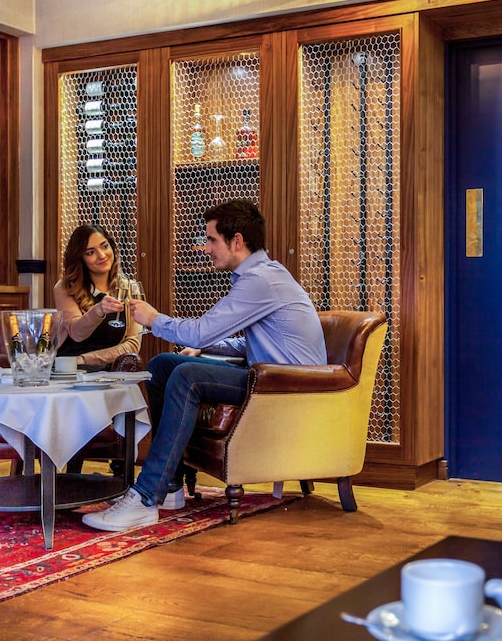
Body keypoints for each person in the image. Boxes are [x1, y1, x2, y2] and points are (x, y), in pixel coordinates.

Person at [82, 199, 326, 531]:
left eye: (211, 240)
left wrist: (154, 319)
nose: (206, 248)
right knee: (163, 365)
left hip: (286, 387)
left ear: (237, 241)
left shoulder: (261, 280)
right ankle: (170, 486)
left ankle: (145, 497)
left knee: (187, 376)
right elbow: (250, 343)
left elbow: (201, 330)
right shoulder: (260, 276)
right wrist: (204, 348)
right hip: (269, 377)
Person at [54, 224, 141, 370]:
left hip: (105, 371)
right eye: (90, 252)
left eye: (104, 246)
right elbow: (77, 333)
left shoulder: (129, 289)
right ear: (80, 259)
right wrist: (98, 310)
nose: (101, 255)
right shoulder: (65, 287)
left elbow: (132, 345)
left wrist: (84, 359)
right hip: (69, 370)